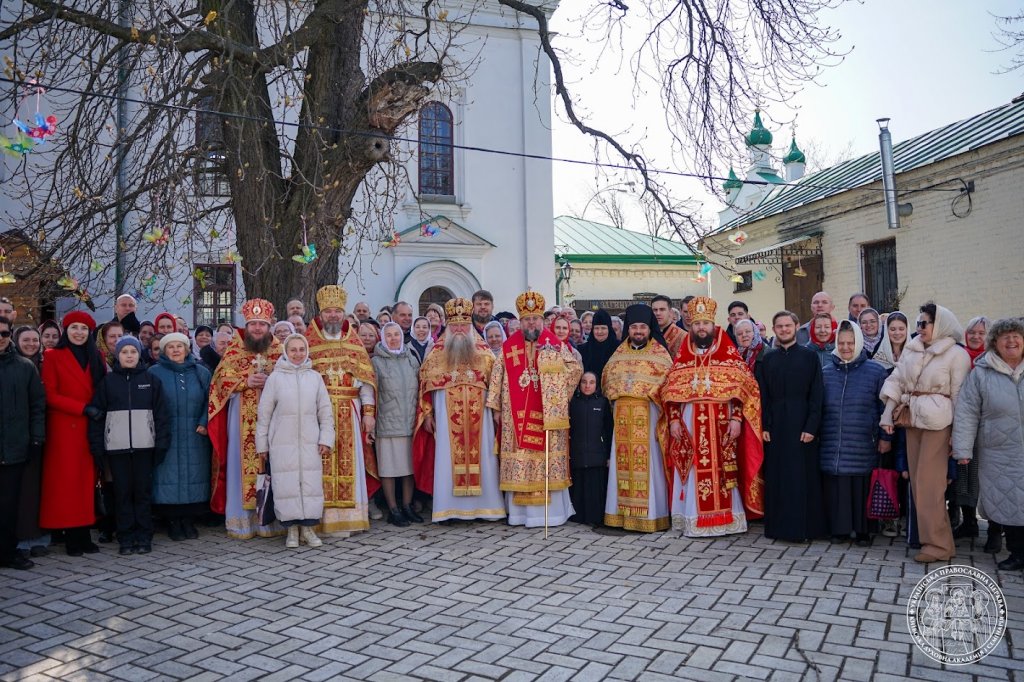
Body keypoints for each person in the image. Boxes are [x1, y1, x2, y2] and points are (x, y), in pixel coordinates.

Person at [661, 297, 764, 537]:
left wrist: (737, 418)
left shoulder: (728, 354)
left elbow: (744, 390)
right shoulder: (683, 356)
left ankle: (727, 519)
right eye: (697, 324)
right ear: (691, 326)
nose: (701, 328)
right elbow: (670, 392)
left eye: (705, 323)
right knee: (693, 467)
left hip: (722, 423)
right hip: (689, 423)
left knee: (723, 469)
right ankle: (693, 518)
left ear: (713, 325)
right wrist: (674, 419)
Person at [880, 302, 971, 563]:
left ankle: (938, 545)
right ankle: (937, 542)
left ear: (939, 324)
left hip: (939, 425)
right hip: (912, 422)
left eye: (924, 323)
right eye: (918, 323)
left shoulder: (956, 355)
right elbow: (896, 381)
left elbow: (960, 397)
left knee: (930, 486)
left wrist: (958, 436)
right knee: (919, 485)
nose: (919, 328)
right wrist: (887, 415)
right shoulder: (913, 349)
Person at [487, 291, 582, 527]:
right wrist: (496, 408)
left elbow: (575, 369)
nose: (532, 323)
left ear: (542, 320)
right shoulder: (509, 347)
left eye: (536, 319)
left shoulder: (554, 344)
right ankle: (520, 514)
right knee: (520, 457)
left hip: (548, 415)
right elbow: (497, 377)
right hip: (514, 416)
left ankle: (552, 514)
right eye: (527, 319)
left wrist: (552, 377)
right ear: (520, 322)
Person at [414, 299, 504, 523]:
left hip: (481, 420)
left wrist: (496, 411)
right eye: (455, 326)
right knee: (446, 458)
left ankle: (486, 509)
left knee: (484, 457)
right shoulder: (435, 355)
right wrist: (427, 414)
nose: (460, 330)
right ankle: (449, 509)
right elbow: (424, 386)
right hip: (446, 419)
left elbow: (497, 385)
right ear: (448, 327)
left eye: (464, 325)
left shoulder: (485, 354)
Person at [305, 286, 379, 534]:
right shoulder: (309, 343)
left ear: (344, 313)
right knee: (320, 463)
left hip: (350, 409)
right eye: (328, 311)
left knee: (350, 463)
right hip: (319, 413)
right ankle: (321, 519)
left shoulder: (354, 344)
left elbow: (366, 382)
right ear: (321, 314)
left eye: (337, 311)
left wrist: (368, 413)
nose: (333, 315)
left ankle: (351, 518)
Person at [952, 318, 1024, 570]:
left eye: (1016, 336)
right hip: (998, 452)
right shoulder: (981, 373)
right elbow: (967, 412)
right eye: (1005, 337)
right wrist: (962, 449)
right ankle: (1017, 553)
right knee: (1008, 501)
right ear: (995, 342)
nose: (1011, 341)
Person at [208, 299, 284, 539]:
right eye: (253, 324)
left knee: (275, 463)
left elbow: (291, 376)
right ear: (246, 326)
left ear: (269, 325)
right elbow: (220, 380)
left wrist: (271, 379)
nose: (258, 329)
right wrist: (245, 381)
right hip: (241, 417)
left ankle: (272, 520)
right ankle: (243, 522)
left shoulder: (280, 350)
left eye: (262, 324)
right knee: (240, 466)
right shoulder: (234, 350)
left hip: (275, 419)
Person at [87, 337, 170, 555]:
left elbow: (161, 416)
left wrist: (161, 443)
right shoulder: (107, 382)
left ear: (139, 354)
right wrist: (98, 447)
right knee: (122, 494)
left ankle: (144, 536)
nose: (130, 355)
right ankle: (125, 537)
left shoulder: (151, 380)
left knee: (142, 493)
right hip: (117, 450)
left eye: (133, 351)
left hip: (145, 448)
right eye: (125, 352)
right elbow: (97, 417)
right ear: (118, 355)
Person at [256, 334, 334, 548]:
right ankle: (291, 530)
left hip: (310, 441)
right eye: (293, 350)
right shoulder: (275, 378)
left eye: (301, 349)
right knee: (286, 485)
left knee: (310, 484)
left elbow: (325, 411)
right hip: (282, 442)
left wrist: (326, 438)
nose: (298, 354)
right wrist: (262, 444)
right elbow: (264, 414)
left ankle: (308, 529)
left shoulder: (314, 378)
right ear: (286, 352)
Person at [601, 304, 673, 532]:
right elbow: (607, 383)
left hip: (649, 417)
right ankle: (619, 516)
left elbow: (668, 388)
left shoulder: (661, 355)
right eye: (634, 327)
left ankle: (652, 516)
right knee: (620, 465)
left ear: (650, 329)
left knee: (650, 466)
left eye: (642, 327)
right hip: (622, 418)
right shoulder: (618, 355)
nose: (638, 331)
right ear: (628, 329)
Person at [39, 311, 106, 556]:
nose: (79, 332)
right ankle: (71, 537)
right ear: (66, 331)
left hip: (91, 427)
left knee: (86, 482)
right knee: (66, 483)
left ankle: (84, 533)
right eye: (74, 327)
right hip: (65, 427)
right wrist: (82, 408)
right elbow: (50, 395)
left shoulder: (97, 356)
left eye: (84, 328)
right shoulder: (52, 356)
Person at [819, 321, 890, 546]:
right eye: (841, 343)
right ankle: (839, 530)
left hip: (863, 442)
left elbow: (885, 410)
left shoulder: (875, 371)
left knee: (861, 487)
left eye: (850, 343)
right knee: (838, 487)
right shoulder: (826, 372)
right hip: (833, 442)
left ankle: (863, 531)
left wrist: (885, 438)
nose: (846, 347)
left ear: (858, 342)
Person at [760, 310, 826, 542]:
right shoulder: (768, 359)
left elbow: (816, 395)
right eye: (779, 326)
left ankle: (805, 529)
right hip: (776, 427)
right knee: (778, 478)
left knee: (802, 478)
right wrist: (765, 425)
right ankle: (778, 528)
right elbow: (763, 396)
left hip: (802, 425)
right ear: (774, 329)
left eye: (788, 325)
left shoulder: (809, 357)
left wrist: (811, 427)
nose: (784, 330)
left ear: (797, 327)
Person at [150, 332, 213, 542]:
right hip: (167, 433)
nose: (176, 350)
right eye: (171, 346)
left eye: (180, 346)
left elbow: (211, 400)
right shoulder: (154, 373)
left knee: (193, 475)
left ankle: (188, 520)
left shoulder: (201, 372)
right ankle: (173, 521)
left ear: (187, 349)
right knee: (169, 475)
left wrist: (204, 421)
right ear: (164, 351)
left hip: (196, 434)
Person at [0, 316, 46, 570]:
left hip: (15, 447)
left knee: (9, 505)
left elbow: (37, 406)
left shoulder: (25, 367)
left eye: (4, 334)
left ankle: (7, 552)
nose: (1, 338)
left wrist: (36, 438)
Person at [370, 323, 422, 526]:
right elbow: (372, 393)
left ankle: (407, 506)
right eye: (389, 335)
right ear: (383, 338)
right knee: (389, 470)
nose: (393, 339)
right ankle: (393, 509)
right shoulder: (376, 362)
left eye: (396, 335)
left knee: (409, 469)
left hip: (409, 422)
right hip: (387, 424)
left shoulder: (411, 358)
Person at [953, 315, 992, 544]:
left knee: (983, 477)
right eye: (972, 332)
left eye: (981, 333)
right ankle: (969, 523)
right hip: (963, 423)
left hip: (987, 427)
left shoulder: (991, 360)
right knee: (963, 474)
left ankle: (994, 529)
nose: (976, 337)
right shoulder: (960, 357)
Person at [12, 326, 49, 559]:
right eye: (26, 340)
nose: (31, 344)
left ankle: (39, 535)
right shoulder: (13, 364)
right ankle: (20, 537)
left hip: (42, 434)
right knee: (19, 490)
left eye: (35, 340)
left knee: (38, 488)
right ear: (17, 341)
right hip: (16, 436)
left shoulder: (45, 365)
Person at [568, 372, 612, 526]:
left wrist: (608, 456)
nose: (587, 386)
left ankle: (595, 518)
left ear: (597, 385)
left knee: (594, 489)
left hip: (597, 456)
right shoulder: (573, 403)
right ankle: (578, 517)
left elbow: (608, 430)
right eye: (584, 382)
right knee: (579, 487)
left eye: (591, 382)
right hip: (577, 454)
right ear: (579, 384)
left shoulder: (603, 403)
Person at [578, 310, 617, 381]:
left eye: (603, 328)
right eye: (596, 328)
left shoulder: (618, 349)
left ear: (609, 329)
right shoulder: (582, 350)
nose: (599, 331)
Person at [734, 319, 768, 386]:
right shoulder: (736, 355)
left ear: (754, 332)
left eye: (748, 331)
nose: (744, 335)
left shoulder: (767, 354)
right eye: (739, 333)